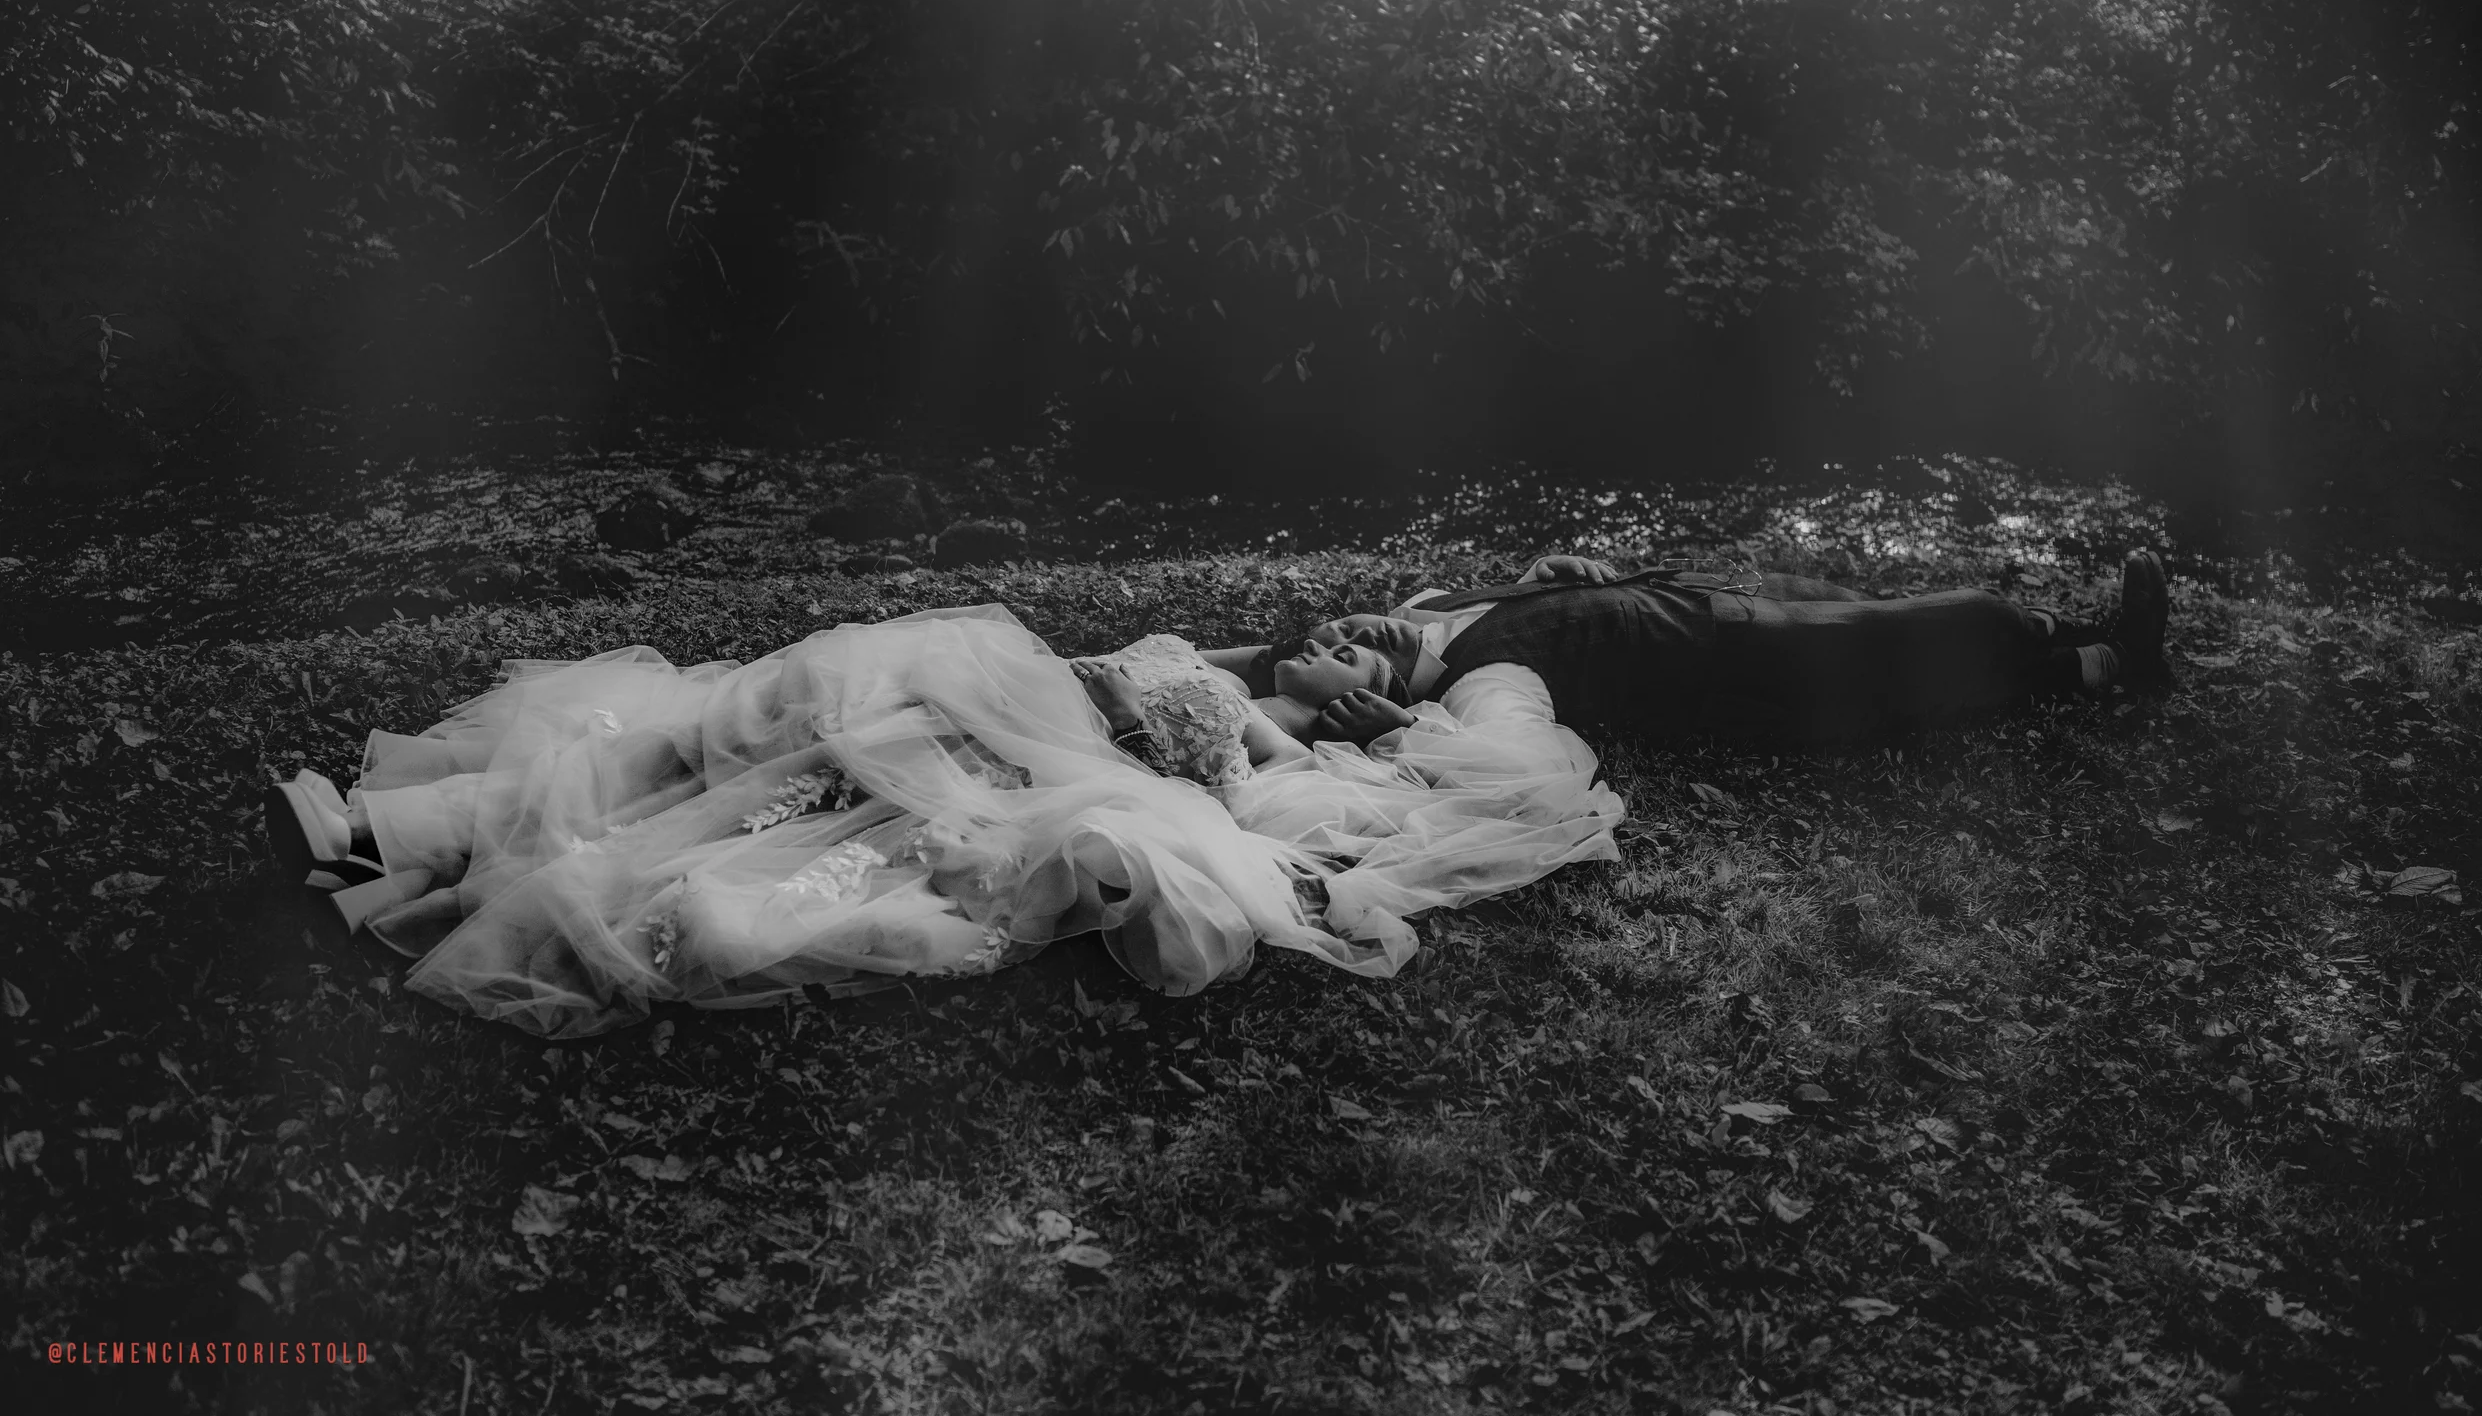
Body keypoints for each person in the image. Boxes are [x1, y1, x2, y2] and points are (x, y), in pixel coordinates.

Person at [263, 606, 1620, 1037]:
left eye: (1364, 661)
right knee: (717, 743)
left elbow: (1232, 803)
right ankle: (403, 833)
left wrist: (1307, 721)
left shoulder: (1272, 734)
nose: (1336, 643)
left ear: (1363, 711)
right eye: (1336, 637)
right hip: (985, 703)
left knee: (772, 788)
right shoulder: (1212, 655)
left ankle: (406, 862)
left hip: (1015, 740)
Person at [1196, 550, 2171, 749]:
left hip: (1701, 593)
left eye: (1331, 628)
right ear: (1369, 690)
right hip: (1737, 655)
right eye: (1346, 655)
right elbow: (1507, 764)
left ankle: (2095, 662)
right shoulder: (1480, 684)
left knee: (1903, 641)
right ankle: (2070, 642)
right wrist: (1399, 726)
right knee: (1960, 615)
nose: (1345, 630)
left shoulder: (1427, 604)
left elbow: (1242, 660)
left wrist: (1548, 578)